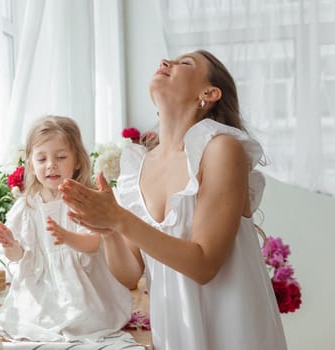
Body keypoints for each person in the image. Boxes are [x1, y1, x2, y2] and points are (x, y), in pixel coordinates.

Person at [59, 50, 288, 350]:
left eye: (185, 63)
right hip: (176, 333)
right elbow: (129, 273)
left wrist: (119, 218)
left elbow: (204, 264)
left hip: (235, 331)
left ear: (209, 92)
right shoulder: (139, 166)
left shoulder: (220, 148)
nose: (166, 63)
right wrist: (111, 232)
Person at [0, 115, 132, 343]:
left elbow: (94, 243)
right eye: (42, 158)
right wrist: (10, 245)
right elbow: (19, 257)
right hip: (41, 287)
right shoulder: (27, 206)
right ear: (30, 164)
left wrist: (67, 237)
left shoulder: (84, 199)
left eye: (61, 157)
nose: (51, 165)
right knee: (33, 320)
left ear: (77, 160)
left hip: (81, 285)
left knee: (85, 319)